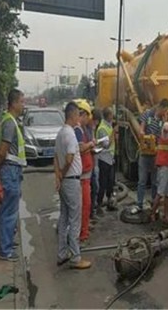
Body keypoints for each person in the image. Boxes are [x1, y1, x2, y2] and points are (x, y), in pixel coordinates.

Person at [54, 101, 91, 270]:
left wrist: (58, 176)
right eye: (78, 114)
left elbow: (56, 156)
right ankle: (76, 258)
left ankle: (62, 253)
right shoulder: (70, 134)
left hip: (64, 181)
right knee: (75, 219)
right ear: (73, 115)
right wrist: (63, 173)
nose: (79, 117)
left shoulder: (60, 133)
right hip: (71, 180)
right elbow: (69, 158)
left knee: (64, 218)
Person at [0, 89, 26, 262]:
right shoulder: (9, 122)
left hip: (14, 169)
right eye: (22, 101)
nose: (23, 105)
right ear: (13, 103)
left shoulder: (12, 121)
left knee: (11, 209)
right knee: (9, 211)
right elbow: (3, 150)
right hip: (10, 169)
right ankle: (5, 250)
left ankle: (7, 242)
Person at [133, 98, 168, 214]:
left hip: (155, 155)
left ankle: (154, 205)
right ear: (161, 107)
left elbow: (161, 137)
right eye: (165, 110)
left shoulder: (162, 121)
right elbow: (142, 127)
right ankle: (139, 205)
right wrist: (142, 133)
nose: (165, 113)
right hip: (144, 154)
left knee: (155, 182)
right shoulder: (148, 114)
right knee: (142, 181)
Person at [74, 100, 95, 246]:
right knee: (84, 205)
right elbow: (81, 149)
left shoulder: (82, 129)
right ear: (83, 114)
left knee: (84, 205)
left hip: (85, 173)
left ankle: (83, 230)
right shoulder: (77, 130)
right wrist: (91, 144)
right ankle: (82, 234)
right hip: (81, 175)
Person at [96, 107, 116, 213]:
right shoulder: (102, 128)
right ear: (108, 116)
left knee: (110, 182)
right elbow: (106, 145)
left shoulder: (109, 125)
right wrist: (113, 133)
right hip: (104, 159)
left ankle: (109, 203)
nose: (113, 116)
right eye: (112, 114)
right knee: (103, 183)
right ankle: (99, 205)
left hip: (110, 158)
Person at [90, 108, 102, 219]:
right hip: (89, 165)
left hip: (93, 163)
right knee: (93, 187)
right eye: (95, 122)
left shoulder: (92, 130)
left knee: (95, 187)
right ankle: (91, 212)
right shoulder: (85, 130)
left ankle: (92, 211)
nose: (96, 124)